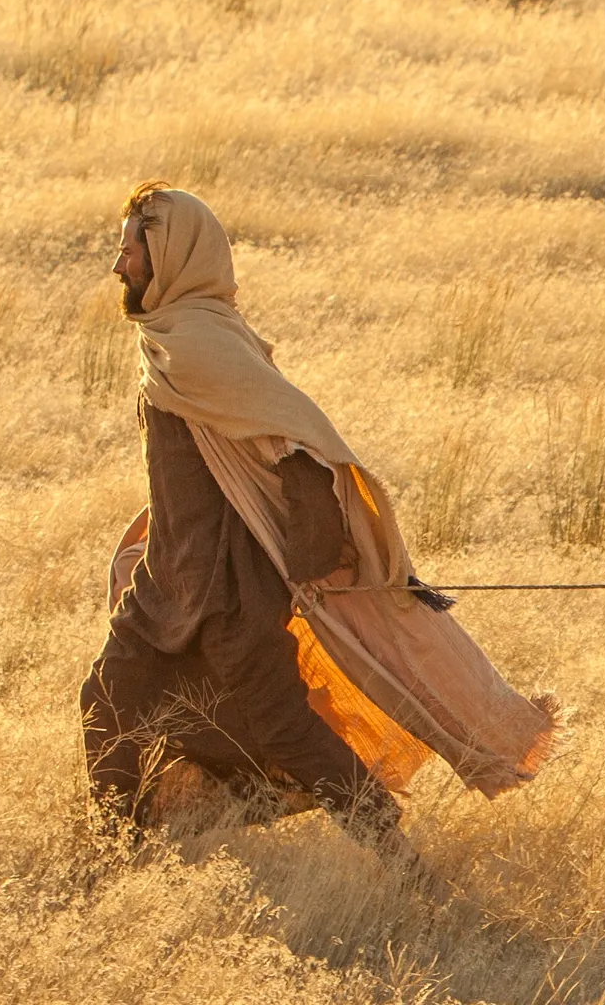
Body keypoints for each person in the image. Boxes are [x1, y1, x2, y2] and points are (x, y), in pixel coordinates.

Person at [79, 183, 555, 829]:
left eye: (130, 250)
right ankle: (114, 852)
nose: (119, 265)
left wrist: (314, 557)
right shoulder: (169, 339)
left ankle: (403, 865)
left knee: (286, 733)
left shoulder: (201, 344)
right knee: (109, 701)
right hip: (165, 587)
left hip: (231, 595)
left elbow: (298, 444)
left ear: (169, 256)